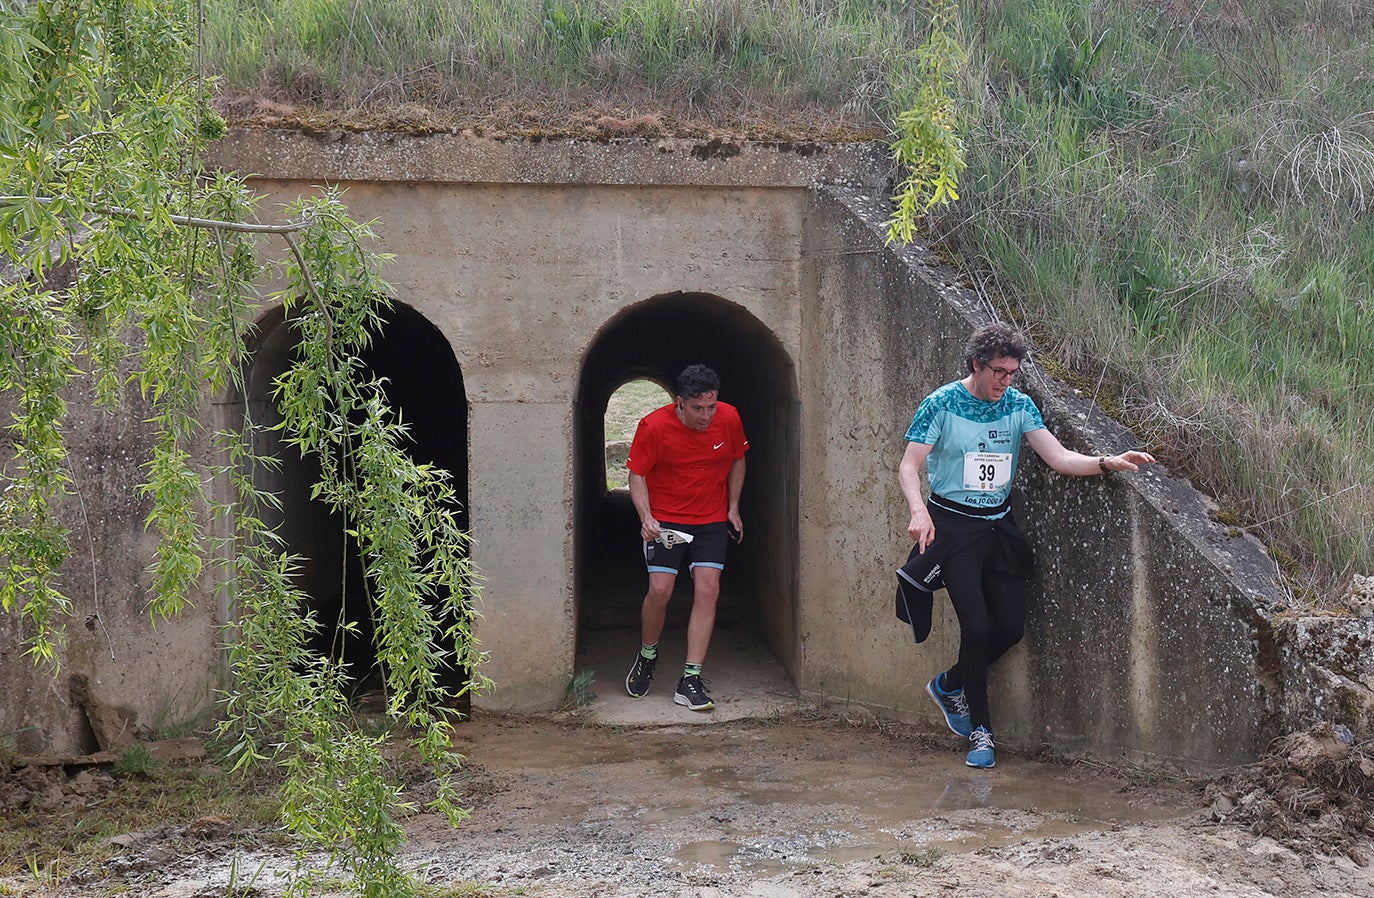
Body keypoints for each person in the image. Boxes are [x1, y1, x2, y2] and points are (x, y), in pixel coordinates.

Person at [897, 322, 1155, 768]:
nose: (1006, 380)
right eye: (998, 371)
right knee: (976, 628)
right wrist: (918, 511)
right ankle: (981, 732)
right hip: (954, 529)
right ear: (976, 365)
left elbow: (1057, 458)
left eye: (1013, 372)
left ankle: (950, 683)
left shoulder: (1018, 405)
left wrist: (1105, 462)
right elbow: (908, 465)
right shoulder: (941, 403)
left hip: (999, 528)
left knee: (1010, 629)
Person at [623, 364, 748, 711]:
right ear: (680, 403)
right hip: (667, 520)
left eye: (711, 407)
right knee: (660, 591)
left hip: (710, 518)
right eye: (697, 408)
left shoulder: (730, 418)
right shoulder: (654, 426)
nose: (706, 415)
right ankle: (648, 654)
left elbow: (738, 459)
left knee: (708, 590)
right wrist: (646, 517)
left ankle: (690, 679)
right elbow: (637, 474)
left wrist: (733, 507)